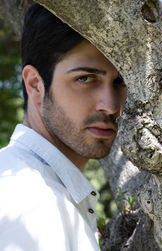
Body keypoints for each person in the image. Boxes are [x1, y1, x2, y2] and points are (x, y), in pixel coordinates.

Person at [0, 3, 127, 251]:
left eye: (120, 82)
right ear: (36, 85)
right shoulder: (31, 201)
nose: (111, 106)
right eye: (85, 79)